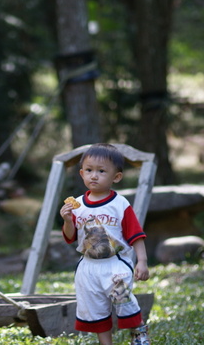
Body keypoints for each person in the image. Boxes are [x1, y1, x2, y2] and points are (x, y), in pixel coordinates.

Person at [59, 143, 150, 345]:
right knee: (95, 309)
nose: (94, 176)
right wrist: (67, 220)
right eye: (89, 170)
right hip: (88, 267)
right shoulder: (77, 205)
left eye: (101, 171)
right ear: (82, 173)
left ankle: (139, 334)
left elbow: (136, 235)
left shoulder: (120, 204)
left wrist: (142, 261)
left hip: (114, 264)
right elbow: (71, 236)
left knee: (124, 300)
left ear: (116, 177)